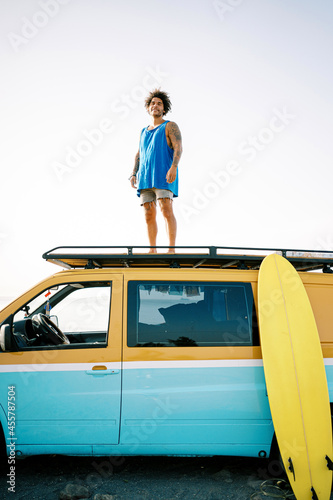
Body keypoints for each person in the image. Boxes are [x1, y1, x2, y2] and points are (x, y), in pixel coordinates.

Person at [129, 89, 183, 253]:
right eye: (153, 103)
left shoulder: (170, 126)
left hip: (163, 175)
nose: (156, 105)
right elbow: (140, 153)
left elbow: (178, 147)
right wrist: (133, 173)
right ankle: (152, 249)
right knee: (148, 214)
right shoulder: (143, 131)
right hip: (145, 178)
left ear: (164, 109)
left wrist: (174, 167)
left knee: (166, 209)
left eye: (159, 103)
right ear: (148, 108)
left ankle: (171, 249)